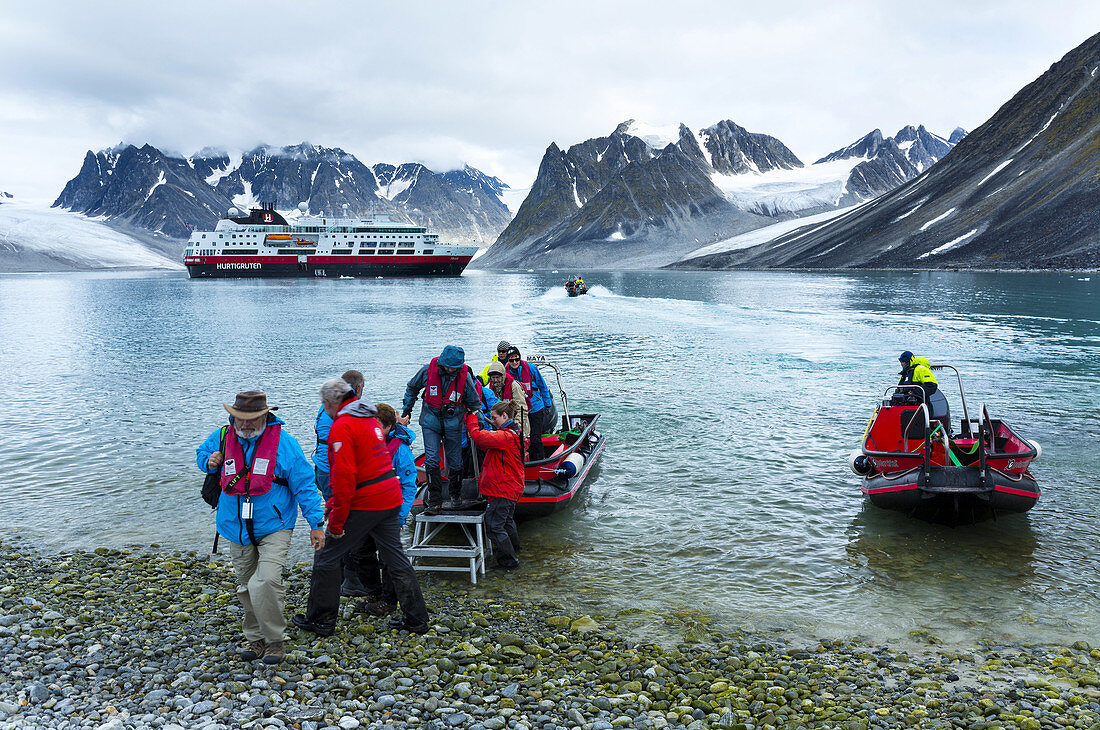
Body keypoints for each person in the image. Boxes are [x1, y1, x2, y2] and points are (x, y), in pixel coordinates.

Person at [196, 391, 325, 664]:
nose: (245, 424)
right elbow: (201, 454)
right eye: (240, 418)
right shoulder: (221, 436)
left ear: (265, 416)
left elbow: (305, 484)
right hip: (234, 526)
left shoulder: (285, 444)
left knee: (265, 581)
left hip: (274, 525)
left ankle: (275, 641)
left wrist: (316, 524)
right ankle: (255, 640)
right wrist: (207, 461)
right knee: (246, 586)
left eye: (252, 419)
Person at [292, 379, 429, 636]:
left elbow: (343, 477)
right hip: (389, 496)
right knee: (395, 558)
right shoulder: (368, 420)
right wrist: (334, 504)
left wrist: (336, 521)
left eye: (323, 403)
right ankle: (416, 618)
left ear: (330, 403)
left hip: (366, 499)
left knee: (327, 555)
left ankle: (320, 620)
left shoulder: (342, 427)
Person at [352, 403, 418, 617]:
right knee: (361, 553)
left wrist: (401, 515)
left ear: (389, 426)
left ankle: (389, 600)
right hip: (365, 509)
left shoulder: (401, 450)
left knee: (388, 558)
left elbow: (409, 486)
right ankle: (374, 593)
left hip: (390, 511)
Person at [401, 345, 481, 512]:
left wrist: (476, 418)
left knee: (456, 461)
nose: (450, 370)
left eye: (454, 367)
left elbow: (473, 401)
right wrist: (407, 410)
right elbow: (412, 388)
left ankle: (455, 495)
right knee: (431, 459)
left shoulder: (463, 376)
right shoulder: (427, 371)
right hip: (431, 422)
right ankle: (434, 500)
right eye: (448, 366)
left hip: (454, 423)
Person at [313, 370, 371, 597]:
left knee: (339, 518)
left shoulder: (329, 408)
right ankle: (349, 578)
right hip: (332, 473)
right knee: (344, 523)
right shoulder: (341, 415)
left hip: (323, 469)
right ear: (357, 388)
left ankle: (338, 573)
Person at [465, 402, 524, 569]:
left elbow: (477, 437)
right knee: (506, 521)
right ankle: (515, 550)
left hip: (503, 488)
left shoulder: (505, 437)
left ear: (504, 416)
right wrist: (491, 423)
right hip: (510, 487)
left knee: (494, 526)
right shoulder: (514, 432)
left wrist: (472, 419)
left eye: (494, 417)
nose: (493, 420)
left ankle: (509, 562)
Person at [504, 346, 556, 461]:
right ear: (508, 361)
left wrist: (548, 405)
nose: (514, 362)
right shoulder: (505, 373)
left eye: (516, 359)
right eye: (511, 360)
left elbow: (543, 386)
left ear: (520, 358)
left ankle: (539, 461)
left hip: (535, 408)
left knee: (535, 438)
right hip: (518, 411)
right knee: (519, 438)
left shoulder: (531, 368)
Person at [898, 351, 950, 432]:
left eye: (902, 362)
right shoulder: (906, 373)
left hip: (921, 406)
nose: (901, 364)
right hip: (907, 407)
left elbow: (932, 385)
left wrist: (914, 393)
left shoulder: (920, 370)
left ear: (907, 361)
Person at [486, 360, 529, 450]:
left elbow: (522, 409)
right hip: (502, 429)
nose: (495, 380)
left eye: (497, 377)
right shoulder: (491, 389)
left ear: (503, 376)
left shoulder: (514, 386)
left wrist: (516, 426)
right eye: (493, 378)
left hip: (517, 427)